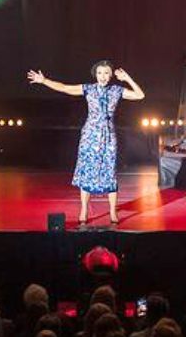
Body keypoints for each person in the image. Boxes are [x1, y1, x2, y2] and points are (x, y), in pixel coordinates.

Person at [26, 61, 145, 226]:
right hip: (90, 135)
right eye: (100, 73)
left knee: (109, 172)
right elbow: (65, 88)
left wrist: (127, 78)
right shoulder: (88, 89)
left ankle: (112, 211)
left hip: (108, 137)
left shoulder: (116, 90)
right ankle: (83, 209)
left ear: (110, 76)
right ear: (95, 75)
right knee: (87, 172)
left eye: (106, 73)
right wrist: (44, 80)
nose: (103, 76)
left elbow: (140, 95)